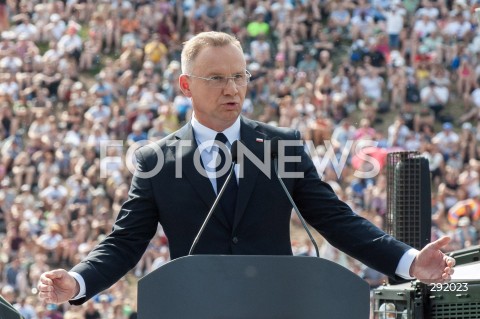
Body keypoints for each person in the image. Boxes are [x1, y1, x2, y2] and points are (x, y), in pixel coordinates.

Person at [38, 31, 455, 306]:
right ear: (186, 86)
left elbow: (334, 218)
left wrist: (409, 260)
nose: (233, 89)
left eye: (240, 76)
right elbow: (126, 242)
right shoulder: (156, 161)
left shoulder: (281, 145)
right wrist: (77, 282)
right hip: (197, 306)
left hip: (279, 304)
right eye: (217, 78)